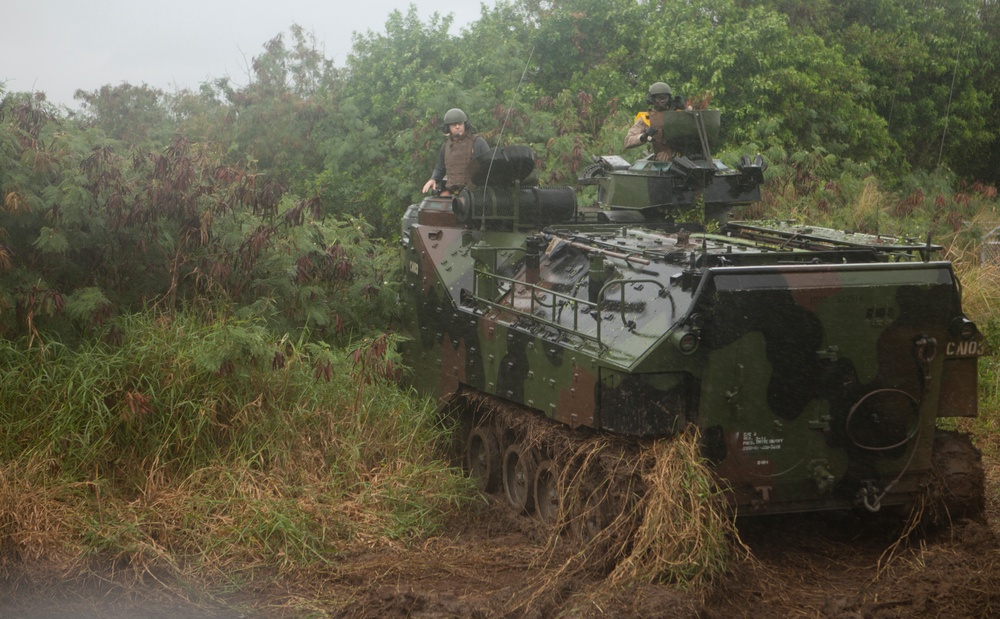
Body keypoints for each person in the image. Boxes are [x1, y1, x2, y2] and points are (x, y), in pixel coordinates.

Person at [422, 108, 491, 194]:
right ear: (448, 127)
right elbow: (440, 168)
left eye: (460, 123)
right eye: (454, 124)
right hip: (452, 192)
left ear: (465, 125)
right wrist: (433, 179)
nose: (457, 127)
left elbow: (490, 167)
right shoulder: (446, 146)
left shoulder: (477, 142)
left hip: (474, 193)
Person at [624, 82, 691, 162]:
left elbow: (698, 124)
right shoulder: (646, 118)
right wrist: (644, 136)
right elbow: (628, 141)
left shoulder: (678, 113)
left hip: (687, 159)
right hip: (664, 162)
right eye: (659, 98)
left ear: (669, 98)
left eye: (665, 97)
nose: (662, 100)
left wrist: (685, 108)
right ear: (652, 99)